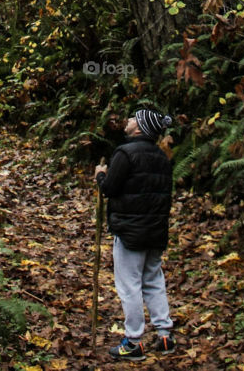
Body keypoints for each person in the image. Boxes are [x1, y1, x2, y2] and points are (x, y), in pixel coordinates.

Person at [93, 107, 176, 360]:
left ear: (139, 127)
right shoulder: (162, 157)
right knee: (153, 281)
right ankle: (164, 335)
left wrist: (99, 176)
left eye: (132, 118)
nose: (127, 121)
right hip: (155, 231)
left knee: (129, 285)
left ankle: (133, 341)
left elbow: (110, 188)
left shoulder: (125, 153)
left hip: (130, 232)